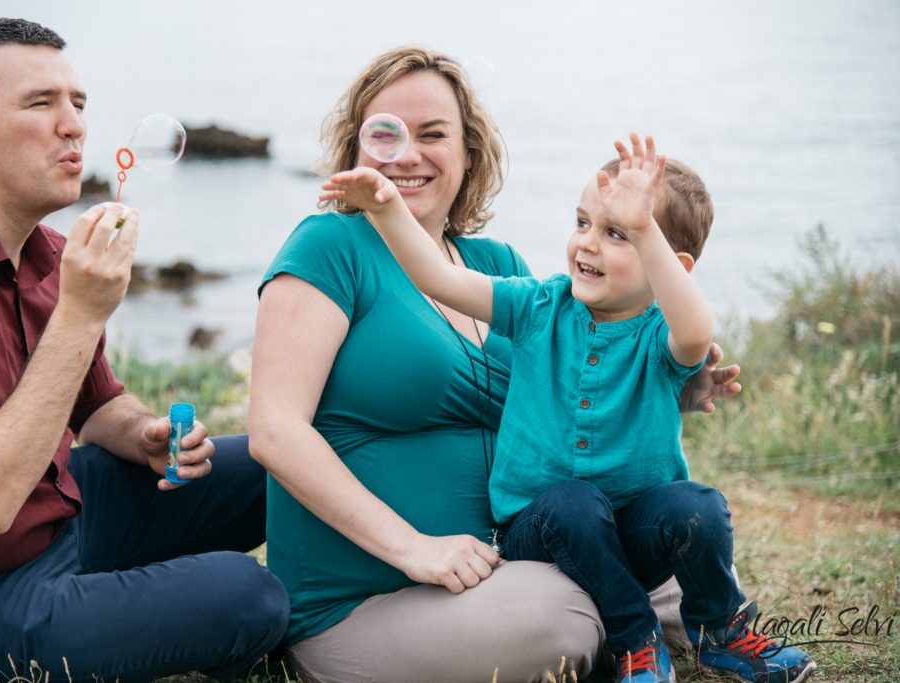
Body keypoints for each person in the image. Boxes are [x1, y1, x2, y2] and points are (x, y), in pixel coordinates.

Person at [249, 46, 742, 683]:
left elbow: (570, 385)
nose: (406, 155)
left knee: (684, 541)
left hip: (514, 558)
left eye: (433, 135)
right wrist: (415, 548)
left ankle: (651, 628)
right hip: (367, 598)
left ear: (469, 153)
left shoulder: (497, 264)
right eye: (385, 135)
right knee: (563, 621)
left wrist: (668, 381)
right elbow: (275, 431)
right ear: (356, 149)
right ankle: (623, 629)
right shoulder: (329, 248)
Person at [0, 18, 288, 683]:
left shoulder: (51, 253)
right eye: (42, 103)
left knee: (283, 462)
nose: (73, 125)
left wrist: (145, 432)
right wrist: (79, 313)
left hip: (67, 520)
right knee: (250, 594)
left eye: (79, 104)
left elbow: (98, 404)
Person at [323, 134, 816, 683]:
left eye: (616, 234)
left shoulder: (662, 337)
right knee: (575, 503)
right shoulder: (539, 306)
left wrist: (645, 226)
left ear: (667, 264)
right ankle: (636, 638)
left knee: (696, 504)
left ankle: (720, 633)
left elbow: (696, 330)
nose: (588, 245)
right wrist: (389, 208)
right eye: (582, 223)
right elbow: (439, 279)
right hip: (543, 529)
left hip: (633, 530)